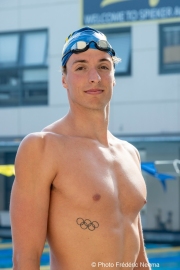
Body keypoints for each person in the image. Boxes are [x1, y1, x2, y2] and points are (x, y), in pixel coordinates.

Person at [10, 27, 151, 270]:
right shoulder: (42, 147)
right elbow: (25, 259)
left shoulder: (130, 154)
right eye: (81, 67)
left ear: (114, 76)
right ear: (64, 79)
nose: (94, 77)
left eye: (104, 66)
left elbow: (140, 261)